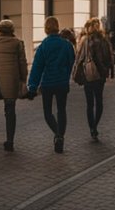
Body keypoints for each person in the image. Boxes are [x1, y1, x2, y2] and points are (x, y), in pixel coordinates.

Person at [27, 16, 76, 153]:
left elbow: (37, 67)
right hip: (62, 83)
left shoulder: (43, 46)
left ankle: (57, 134)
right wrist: (65, 73)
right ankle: (60, 135)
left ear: (46, 28)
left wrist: (32, 86)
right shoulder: (66, 45)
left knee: (47, 112)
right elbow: (71, 61)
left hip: (47, 83)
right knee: (62, 110)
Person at [0, 19, 27, 151]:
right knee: (10, 111)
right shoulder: (18, 43)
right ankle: (10, 141)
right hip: (11, 81)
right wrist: (23, 79)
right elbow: (22, 63)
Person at [74, 18, 113, 141]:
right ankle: (95, 125)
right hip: (100, 75)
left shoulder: (84, 41)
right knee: (99, 101)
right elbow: (109, 57)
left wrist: (76, 72)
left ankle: (92, 128)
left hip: (88, 74)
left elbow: (79, 58)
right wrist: (107, 70)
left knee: (89, 103)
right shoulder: (103, 40)